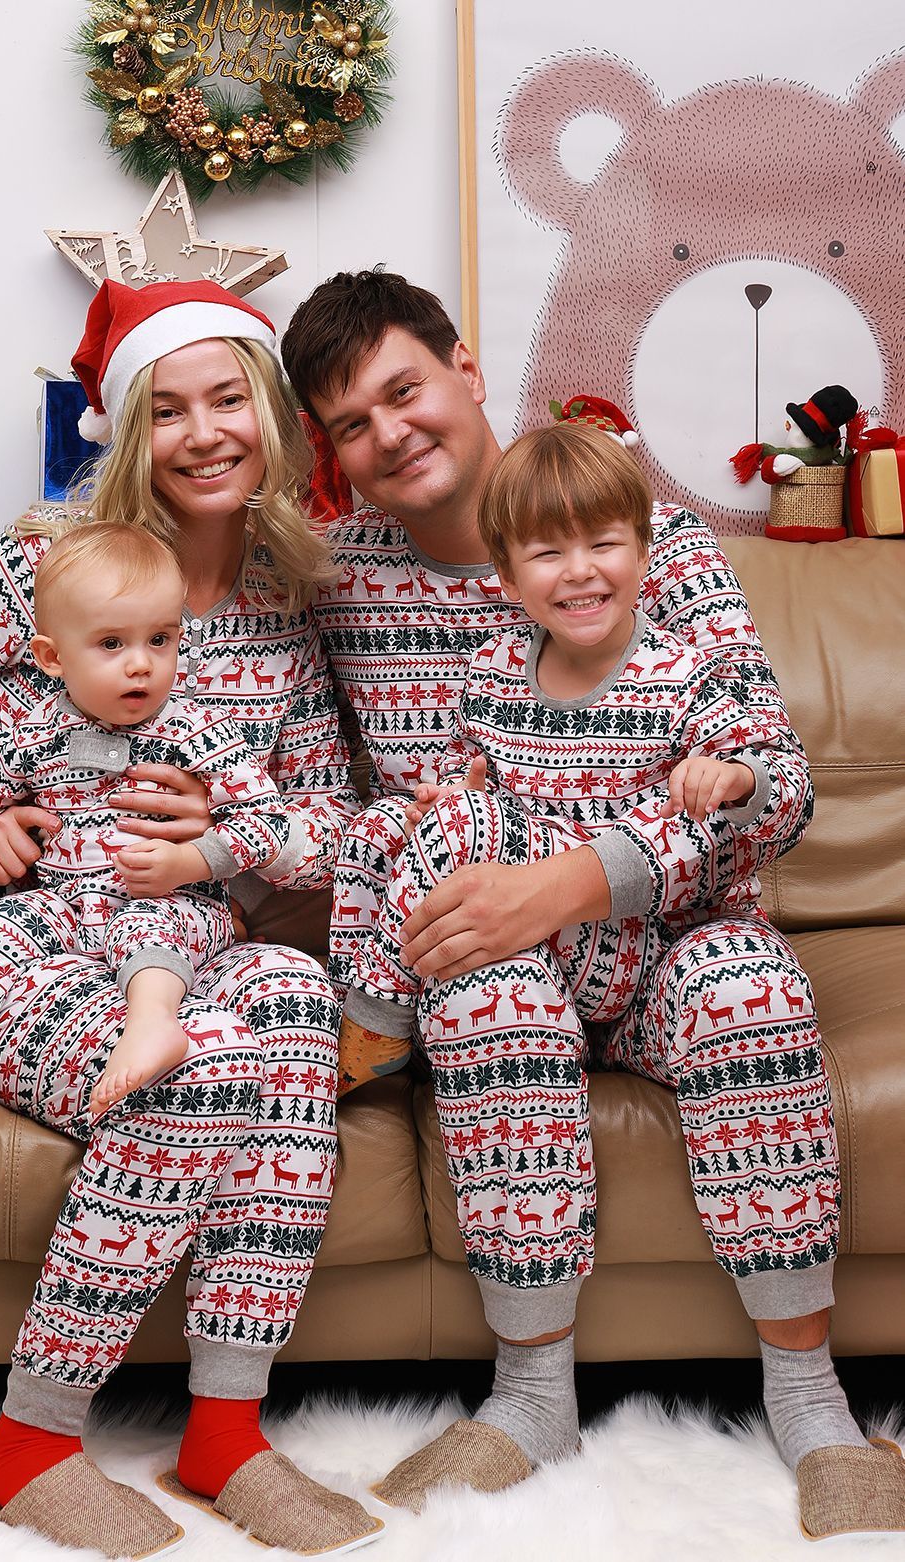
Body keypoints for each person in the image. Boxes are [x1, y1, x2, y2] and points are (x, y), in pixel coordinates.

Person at [281, 271, 904, 1540]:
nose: (391, 431)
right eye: (351, 422)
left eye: (405, 389)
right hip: (484, 953)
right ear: (330, 452)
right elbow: (263, 731)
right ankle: (528, 1393)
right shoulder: (336, 576)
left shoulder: (648, 543)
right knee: (486, 986)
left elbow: (770, 788)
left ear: (465, 364)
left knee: (744, 983)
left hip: (670, 938)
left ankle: (809, 1393)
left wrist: (571, 879)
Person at [0, 279, 382, 1558]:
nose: (204, 432)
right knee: (202, 1072)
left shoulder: (286, 604)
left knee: (293, 1004)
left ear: (271, 414)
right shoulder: (46, 570)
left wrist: (220, 841)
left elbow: (325, 831)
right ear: (132, 427)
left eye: (229, 397)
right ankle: (30, 1440)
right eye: (168, 406)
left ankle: (224, 1432)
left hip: (176, 945)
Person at [339, 421, 784, 1069]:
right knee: (382, 826)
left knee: (469, 822)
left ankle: (377, 1022)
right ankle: (350, 997)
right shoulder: (493, 671)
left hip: (649, 934)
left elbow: (767, 773)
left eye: (603, 544)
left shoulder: (683, 673)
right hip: (551, 952)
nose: (579, 571)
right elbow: (477, 782)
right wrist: (445, 807)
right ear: (510, 580)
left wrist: (736, 779)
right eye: (548, 554)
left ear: (643, 555)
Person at [0, 522, 301, 1126]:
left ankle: (151, 1026)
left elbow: (265, 821)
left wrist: (189, 862)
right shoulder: (34, 728)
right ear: (52, 657)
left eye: (160, 640)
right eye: (112, 644)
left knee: (156, 927)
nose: (141, 665)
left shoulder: (198, 732)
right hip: (62, 899)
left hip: (166, 895)